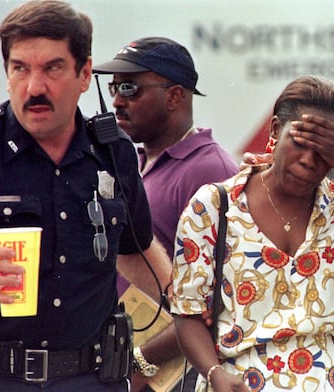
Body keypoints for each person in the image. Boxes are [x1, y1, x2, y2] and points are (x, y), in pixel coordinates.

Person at [0, 1, 172, 390]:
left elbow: (135, 249)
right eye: (20, 69)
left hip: (93, 379)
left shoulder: (114, 152)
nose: (34, 87)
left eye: (52, 68)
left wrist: (190, 310)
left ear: (84, 74)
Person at [171, 75, 334, 391]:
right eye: (300, 143)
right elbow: (187, 312)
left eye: (325, 152)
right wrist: (214, 372)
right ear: (275, 130)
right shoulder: (215, 206)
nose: (308, 162)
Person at [92, 37, 239, 391]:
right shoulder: (136, 163)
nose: (116, 100)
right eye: (114, 87)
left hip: (172, 376)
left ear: (174, 96)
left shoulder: (210, 169)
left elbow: (223, 297)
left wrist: (141, 362)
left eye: (129, 87)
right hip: (121, 362)